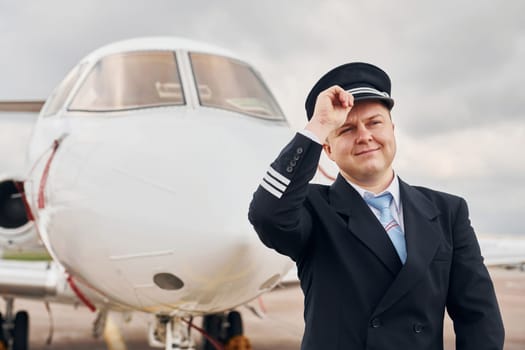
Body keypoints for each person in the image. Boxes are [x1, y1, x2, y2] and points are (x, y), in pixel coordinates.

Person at [248, 62, 504, 350]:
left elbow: (479, 316)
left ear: (393, 130)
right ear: (328, 149)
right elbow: (266, 215)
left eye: (374, 123)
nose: (364, 136)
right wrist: (318, 126)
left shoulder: (448, 212)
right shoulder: (312, 209)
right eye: (346, 129)